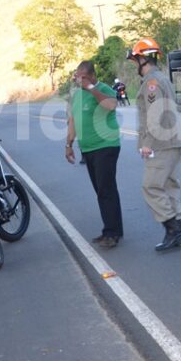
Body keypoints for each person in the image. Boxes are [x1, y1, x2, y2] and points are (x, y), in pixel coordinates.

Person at [128, 37, 181, 251]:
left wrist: (147, 143)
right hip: (172, 141)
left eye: (135, 60)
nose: (134, 64)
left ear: (143, 59)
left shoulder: (151, 83)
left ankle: (173, 230)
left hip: (160, 144)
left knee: (151, 186)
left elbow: (154, 115)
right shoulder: (162, 78)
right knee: (169, 186)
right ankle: (178, 232)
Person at [66, 61, 123, 248]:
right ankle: (113, 229)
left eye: (83, 77)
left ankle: (111, 233)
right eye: (77, 77)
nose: (79, 80)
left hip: (106, 145)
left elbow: (111, 105)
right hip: (88, 149)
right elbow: (73, 121)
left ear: (92, 76)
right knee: (101, 190)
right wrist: (69, 144)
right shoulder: (76, 95)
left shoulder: (104, 89)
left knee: (105, 190)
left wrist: (91, 88)